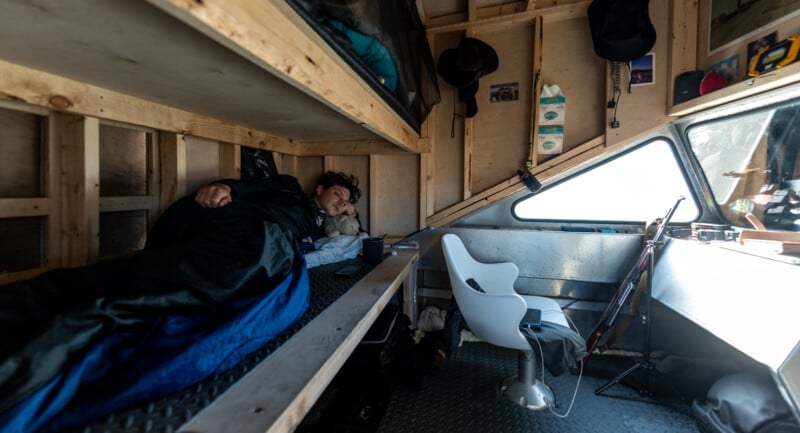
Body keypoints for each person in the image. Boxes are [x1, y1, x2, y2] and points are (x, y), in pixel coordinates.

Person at [0, 171, 361, 424]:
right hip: (254, 237)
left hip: (258, 249)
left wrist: (346, 214)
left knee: (147, 286)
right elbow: (253, 186)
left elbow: (349, 232)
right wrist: (225, 186)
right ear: (320, 188)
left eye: (345, 203)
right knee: (145, 286)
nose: (340, 204)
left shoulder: (323, 224)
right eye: (337, 196)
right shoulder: (288, 188)